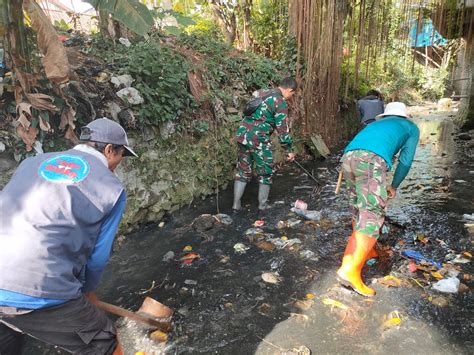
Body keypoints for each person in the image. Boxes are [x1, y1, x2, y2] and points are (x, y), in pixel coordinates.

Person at [0, 118, 138, 354]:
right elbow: (97, 257)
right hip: (37, 285)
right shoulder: (112, 189)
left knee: (9, 337)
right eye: (120, 157)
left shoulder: (31, 163)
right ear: (108, 150)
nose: (117, 165)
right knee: (105, 342)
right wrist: (88, 293)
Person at [337, 102, 419, 297]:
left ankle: (365, 253)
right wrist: (394, 186)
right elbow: (406, 161)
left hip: (348, 157)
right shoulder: (411, 127)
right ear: (404, 116)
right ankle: (350, 270)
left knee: (359, 208)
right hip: (371, 160)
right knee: (372, 213)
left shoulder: (374, 124)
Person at [232, 77, 297, 211]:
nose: (291, 97)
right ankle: (263, 205)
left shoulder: (260, 93)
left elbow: (248, 110)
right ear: (289, 90)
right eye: (292, 94)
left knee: (243, 172)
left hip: (243, 135)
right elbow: (282, 129)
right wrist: (288, 150)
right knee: (265, 173)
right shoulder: (280, 102)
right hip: (259, 139)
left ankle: (235, 205)